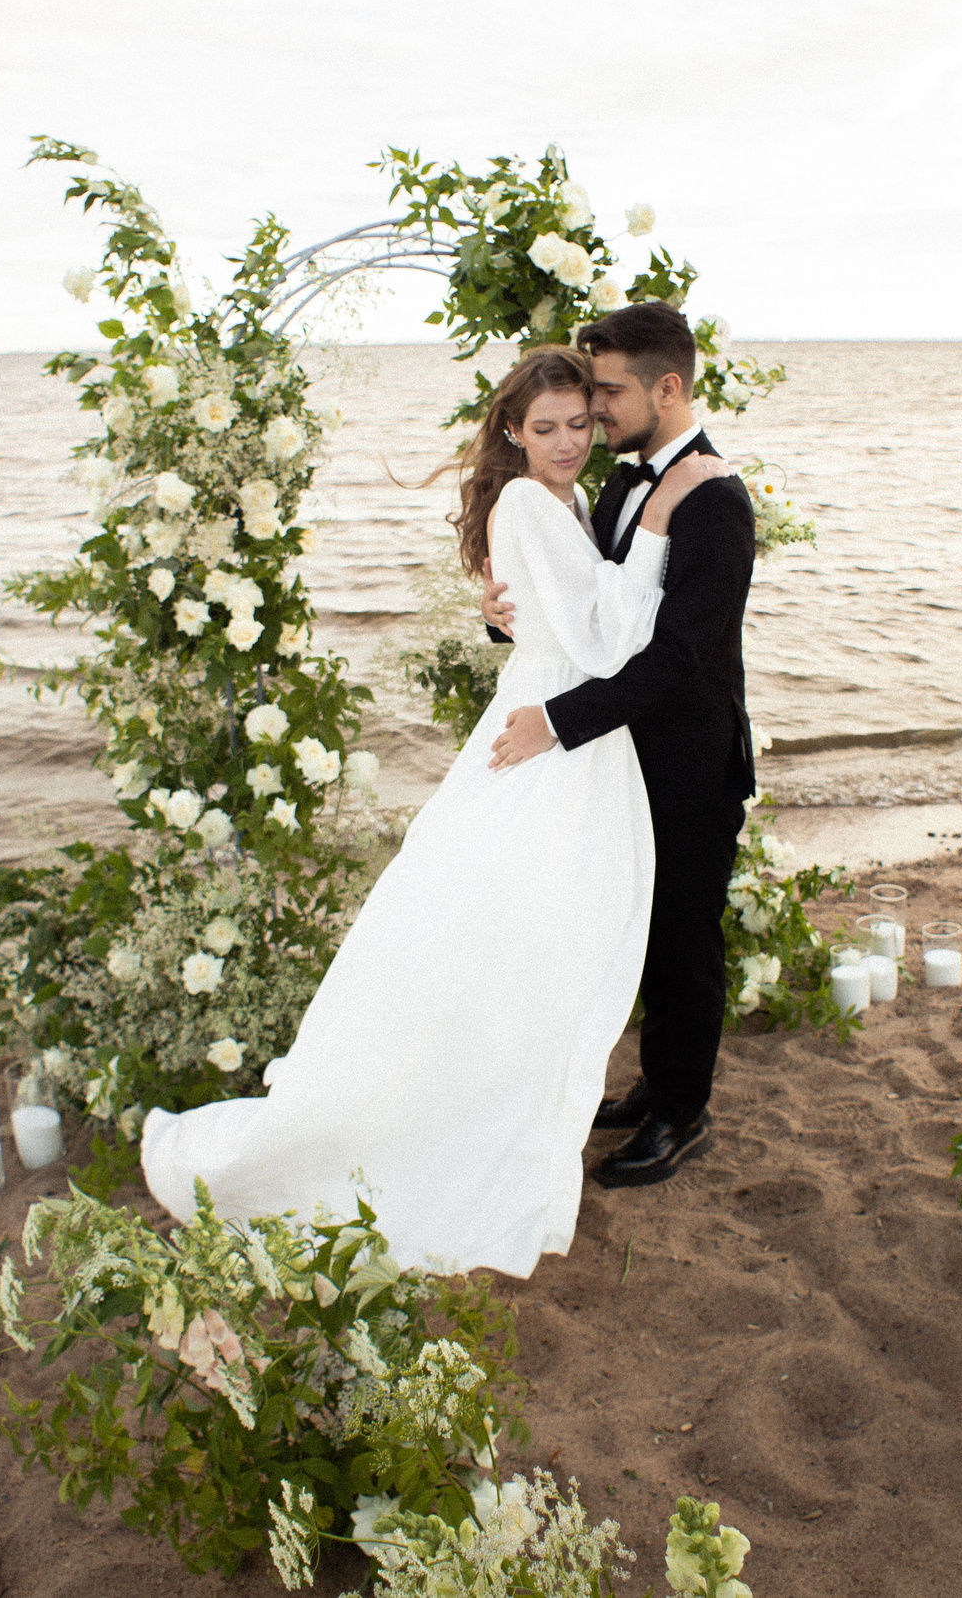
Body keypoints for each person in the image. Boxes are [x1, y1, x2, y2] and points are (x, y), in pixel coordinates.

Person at [138, 345, 731, 1277]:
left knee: (536, 931)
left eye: (582, 421)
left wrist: (513, 612)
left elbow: (566, 610)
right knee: (513, 931)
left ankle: (559, 1096)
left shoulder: (573, 496)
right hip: (550, 737)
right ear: (511, 430)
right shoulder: (545, 500)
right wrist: (653, 521)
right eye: (549, 427)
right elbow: (614, 631)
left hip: (570, 731)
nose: (573, 439)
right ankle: (469, 1113)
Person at [483, 302, 757, 1190]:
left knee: (684, 939)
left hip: (686, 761)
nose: (594, 412)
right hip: (621, 757)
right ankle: (654, 1084)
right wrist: (505, 619)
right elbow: (584, 613)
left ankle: (685, 1111)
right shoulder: (614, 485)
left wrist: (559, 722)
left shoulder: (715, 501)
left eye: (607, 391)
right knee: (637, 933)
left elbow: (681, 658)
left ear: (666, 387)